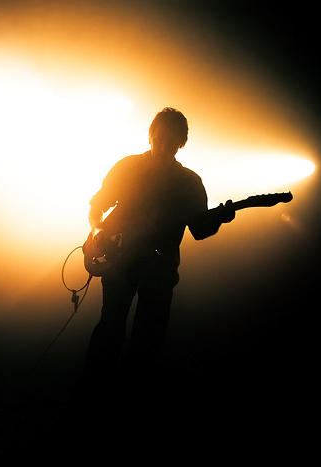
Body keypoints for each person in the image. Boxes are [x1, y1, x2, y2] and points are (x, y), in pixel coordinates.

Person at [81, 107, 235, 393]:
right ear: (150, 135)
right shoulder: (127, 167)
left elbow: (199, 230)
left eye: (172, 142)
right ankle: (94, 391)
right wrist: (99, 232)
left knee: (147, 338)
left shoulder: (190, 183)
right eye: (160, 138)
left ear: (181, 144)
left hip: (160, 268)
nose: (164, 147)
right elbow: (96, 206)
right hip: (121, 260)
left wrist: (219, 220)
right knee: (110, 327)